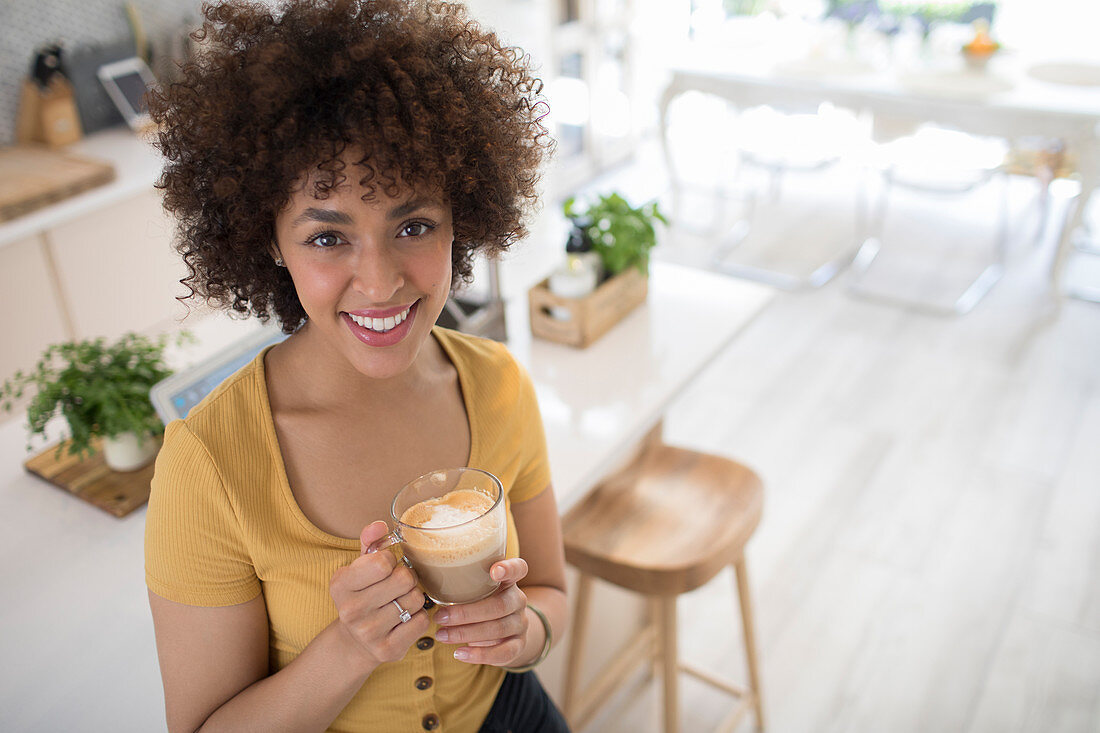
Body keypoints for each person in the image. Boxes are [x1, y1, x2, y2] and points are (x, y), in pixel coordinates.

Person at [143, 1, 568, 731]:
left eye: (413, 226)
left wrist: (521, 633)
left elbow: (552, 591)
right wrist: (348, 648)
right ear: (269, 239)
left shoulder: (499, 384)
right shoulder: (209, 464)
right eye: (327, 237)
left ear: (462, 216)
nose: (379, 282)